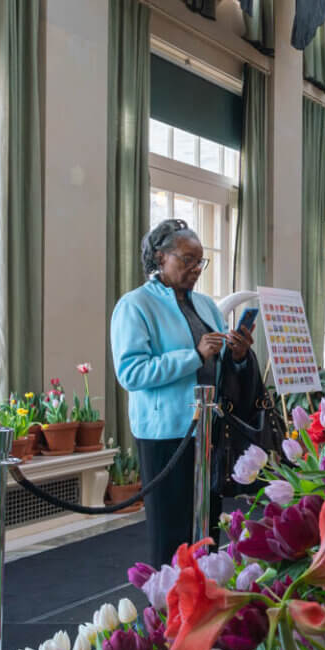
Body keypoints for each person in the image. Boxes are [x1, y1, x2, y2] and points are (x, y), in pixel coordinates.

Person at [111, 218, 258, 568]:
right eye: (188, 259)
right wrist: (193, 356)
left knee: (206, 529)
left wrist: (236, 355)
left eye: (200, 261)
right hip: (167, 436)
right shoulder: (135, 306)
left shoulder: (205, 305)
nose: (196, 268)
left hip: (209, 431)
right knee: (172, 535)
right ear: (160, 258)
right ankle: (167, 613)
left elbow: (218, 365)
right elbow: (131, 372)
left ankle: (206, 602)